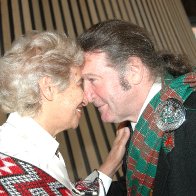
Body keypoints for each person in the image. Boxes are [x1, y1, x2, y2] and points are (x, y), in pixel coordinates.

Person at [0, 31, 130, 195]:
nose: (86, 99)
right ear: (48, 88)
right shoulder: (8, 164)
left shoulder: (34, 152)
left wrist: (111, 163)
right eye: (78, 84)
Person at [77, 19, 196, 196]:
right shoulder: (138, 131)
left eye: (92, 80)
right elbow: (132, 189)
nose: (86, 96)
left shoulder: (192, 121)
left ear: (133, 71)